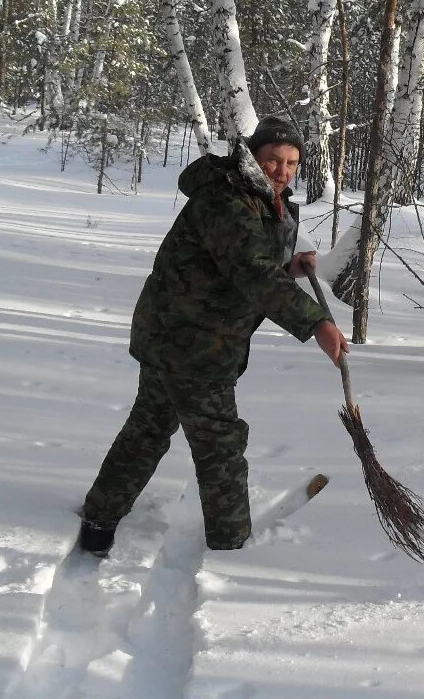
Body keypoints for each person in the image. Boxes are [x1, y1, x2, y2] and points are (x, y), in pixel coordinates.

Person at [78, 116, 349, 556]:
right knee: (220, 446)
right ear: (252, 158)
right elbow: (250, 271)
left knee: (148, 428)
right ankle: (232, 549)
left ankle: (98, 520)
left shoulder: (260, 198)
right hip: (194, 343)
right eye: (272, 160)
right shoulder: (228, 200)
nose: (282, 171)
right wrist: (315, 322)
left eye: (292, 163)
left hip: (177, 333)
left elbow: (238, 267)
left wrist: (288, 269)